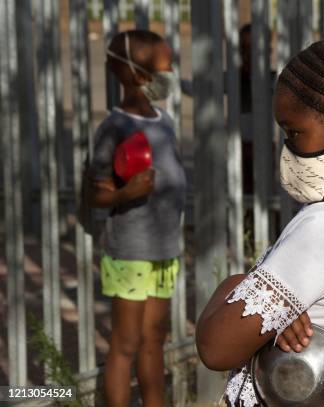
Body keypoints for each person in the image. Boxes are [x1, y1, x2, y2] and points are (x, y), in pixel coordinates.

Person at [195, 35, 324, 406]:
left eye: (294, 132)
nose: (287, 147)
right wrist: (271, 307)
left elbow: (216, 348)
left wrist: (240, 284)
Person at [85, 30, 187, 406]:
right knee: (126, 344)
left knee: (154, 340)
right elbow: (94, 192)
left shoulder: (165, 120)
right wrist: (126, 193)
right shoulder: (114, 128)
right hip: (130, 252)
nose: (171, 74)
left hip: (164, 249)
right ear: (134, 74)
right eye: (164, 68)